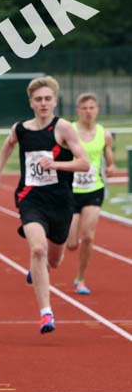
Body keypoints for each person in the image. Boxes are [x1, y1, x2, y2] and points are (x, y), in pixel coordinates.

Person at [0, 76, 89, 334]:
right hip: (30, 199)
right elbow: (8, 145)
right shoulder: (20, 129)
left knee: (54, 260)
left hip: (61, 201)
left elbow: (84, 163)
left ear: (55, 101)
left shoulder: (63, 128)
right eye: (38, 99)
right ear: (31, 102)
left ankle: (39, 268)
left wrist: (56, 164)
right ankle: (46, 313)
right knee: (38, 250)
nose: (43, 103)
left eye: (47, 99)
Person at [65, 93, 116, 295]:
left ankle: (80, 279)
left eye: (92, 107)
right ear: (78, 110)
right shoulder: (70, 131)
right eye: (84, 108)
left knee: (88, 237)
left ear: (97, 110)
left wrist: (111, 165)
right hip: (70, 191)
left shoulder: (104, 134)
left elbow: (109, 156)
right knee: (70, 244)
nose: (88, 111)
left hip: (93, 189)